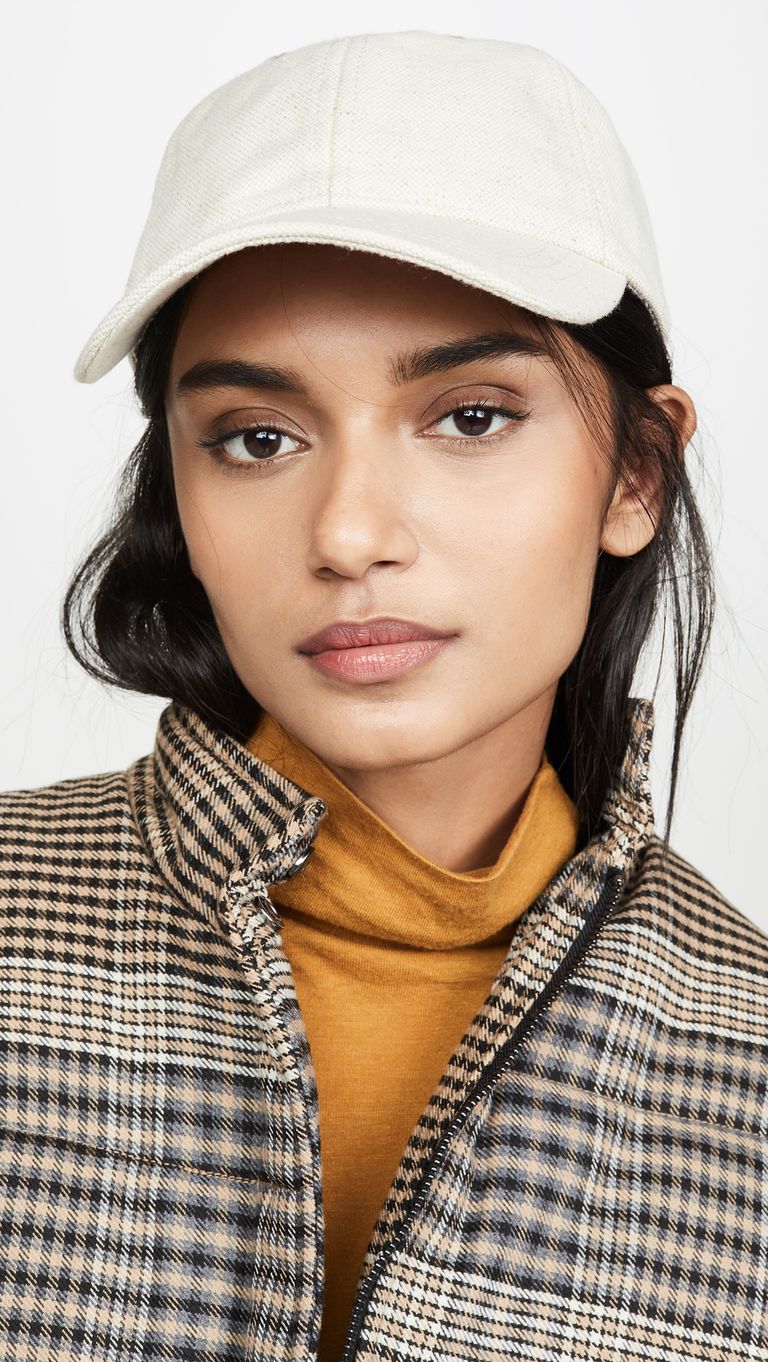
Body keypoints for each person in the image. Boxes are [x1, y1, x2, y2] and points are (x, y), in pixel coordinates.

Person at [0, 29, 765, 1362]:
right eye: (257, 438)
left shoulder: (744, 1054)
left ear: (637, 473)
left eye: (470, 417)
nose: (350, 533)